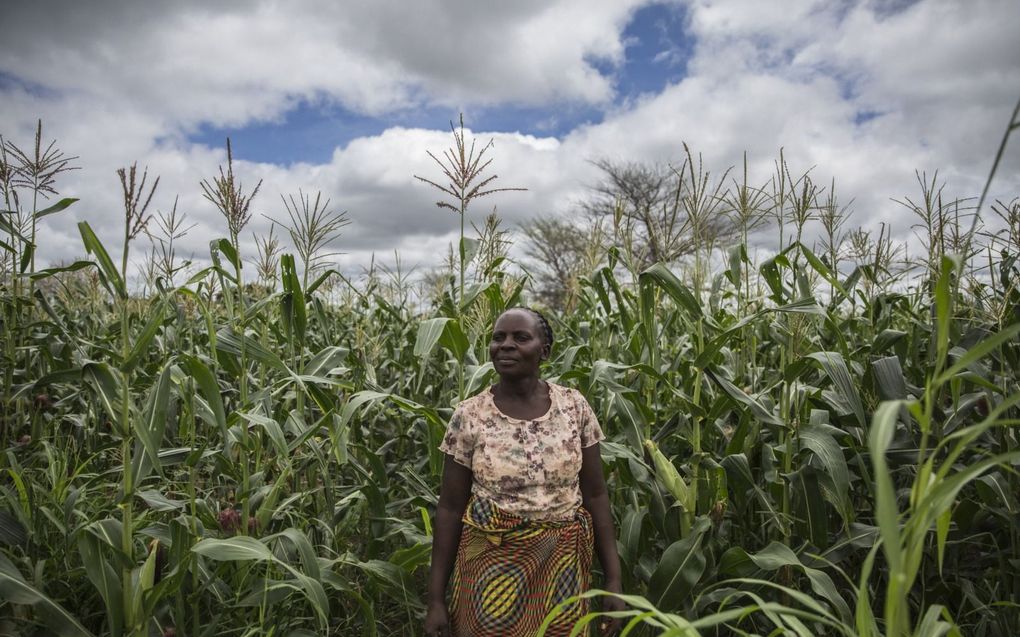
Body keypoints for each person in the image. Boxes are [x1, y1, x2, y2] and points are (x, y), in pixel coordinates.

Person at [424, 307, 625, 636]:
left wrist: (614, 582)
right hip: (489, 569)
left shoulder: (574, 407)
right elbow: (449, 508)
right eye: (498, 338)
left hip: (562, 571)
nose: (505, 345)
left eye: (520, 337)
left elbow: (597, 495)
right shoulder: (470, 415)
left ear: (544, 350)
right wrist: (436, 600)